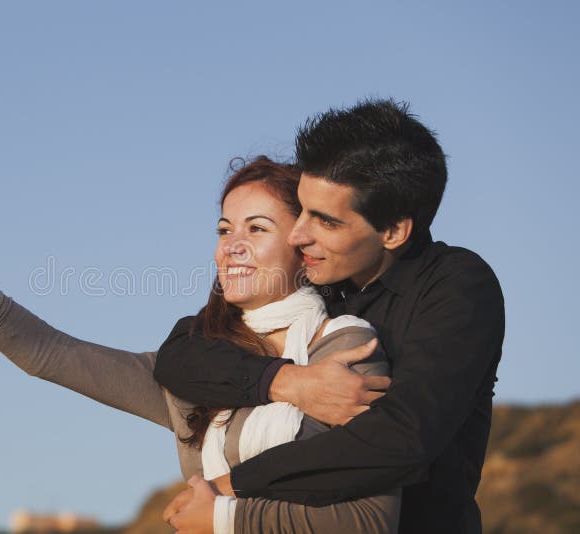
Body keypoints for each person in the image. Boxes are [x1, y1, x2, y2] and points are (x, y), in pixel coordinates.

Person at [0, 156, 399, 533]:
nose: (231, 246)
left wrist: (222, 520)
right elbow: (49, 354)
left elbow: (369, 521)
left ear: (302, 242)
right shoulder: (194, 372)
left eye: (256, 229)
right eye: (222, 229)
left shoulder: (343, 348)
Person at [153, 100, 505, 534]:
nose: (299, 234)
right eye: (300, 210)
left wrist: (231, 489)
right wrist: (284, 381)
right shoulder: (312, 279)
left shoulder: (458, 288)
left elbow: (401, 439)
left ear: (394, 230)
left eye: (326, 221)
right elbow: (180, 354)